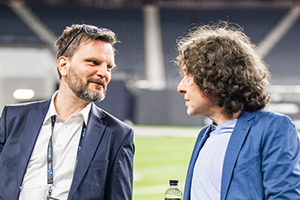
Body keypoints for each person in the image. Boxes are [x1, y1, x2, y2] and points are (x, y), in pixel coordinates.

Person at [0, 24, 134, 200]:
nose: (103, 73)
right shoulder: (13, 118)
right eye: (93, 62)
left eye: (108, 67)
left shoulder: (118, 134)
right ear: (64, 65)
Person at [175, 21, 300, 199]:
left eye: (189, 76)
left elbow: (284, 196)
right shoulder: (205, 135)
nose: (181, 87)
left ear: (215, 78)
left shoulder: (273, 128)